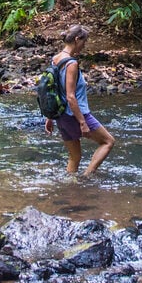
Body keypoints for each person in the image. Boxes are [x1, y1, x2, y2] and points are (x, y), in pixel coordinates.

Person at [44, 25, 115, 176]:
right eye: (84, 41)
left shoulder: (55, 59)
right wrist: (83, 122)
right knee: (108, 142)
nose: (84, 45)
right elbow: (70, 96)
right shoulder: (71, 64)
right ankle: (86, 177)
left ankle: (72, 187)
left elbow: (53, 90)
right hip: (75, 114)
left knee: (75, 157)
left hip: (61, 116)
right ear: (77, 39)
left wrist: (50, 117)